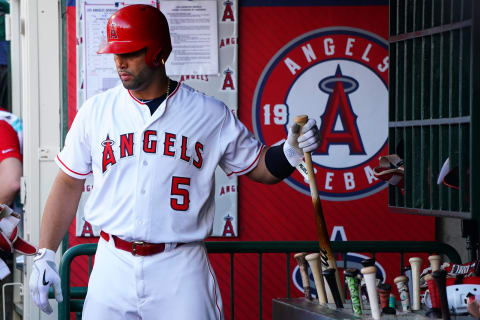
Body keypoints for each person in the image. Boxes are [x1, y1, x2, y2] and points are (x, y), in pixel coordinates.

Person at [28, 5, 321, 319]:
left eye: (130, 52)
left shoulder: (209, 113)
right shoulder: (96, 111)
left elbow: (260, 167)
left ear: (158, 52)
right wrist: (45, 253)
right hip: (112, 263)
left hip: (180, 266)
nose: (119, 62)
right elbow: (68, 182)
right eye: (115, 53)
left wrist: (290, 152)